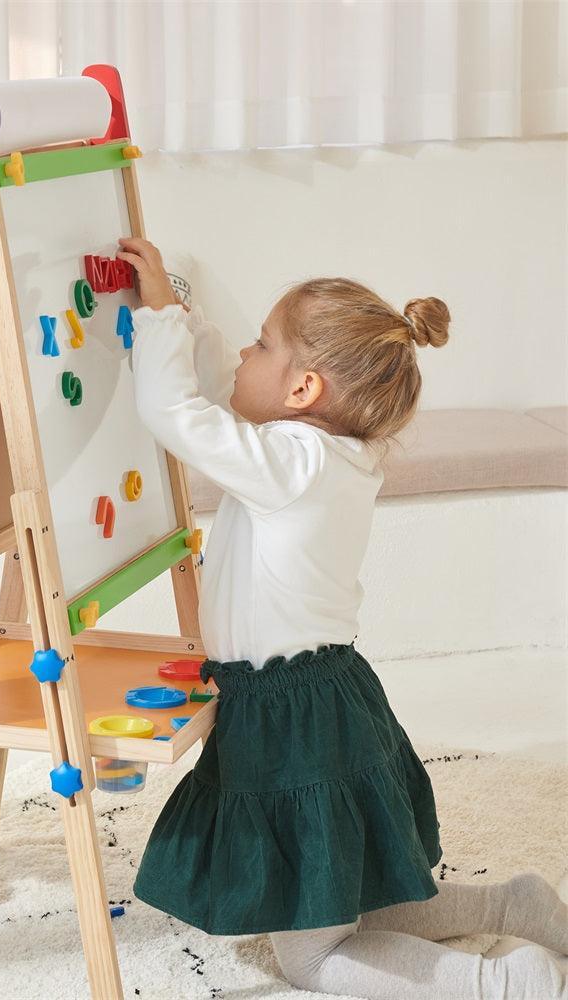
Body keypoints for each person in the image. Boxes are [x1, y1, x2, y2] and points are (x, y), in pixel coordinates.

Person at [118, 236, 567, 999]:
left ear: (303, 391)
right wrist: (182, 319)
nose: (242, 355)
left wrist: (161, 314)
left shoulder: (288, 462)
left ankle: (500, 984)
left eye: (262, 345)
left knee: (313, 957)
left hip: (287, 717)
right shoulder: (332, 454)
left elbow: (173, 411)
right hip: (326, 695)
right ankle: (510, 904)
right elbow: (218, 383)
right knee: (352, 893)